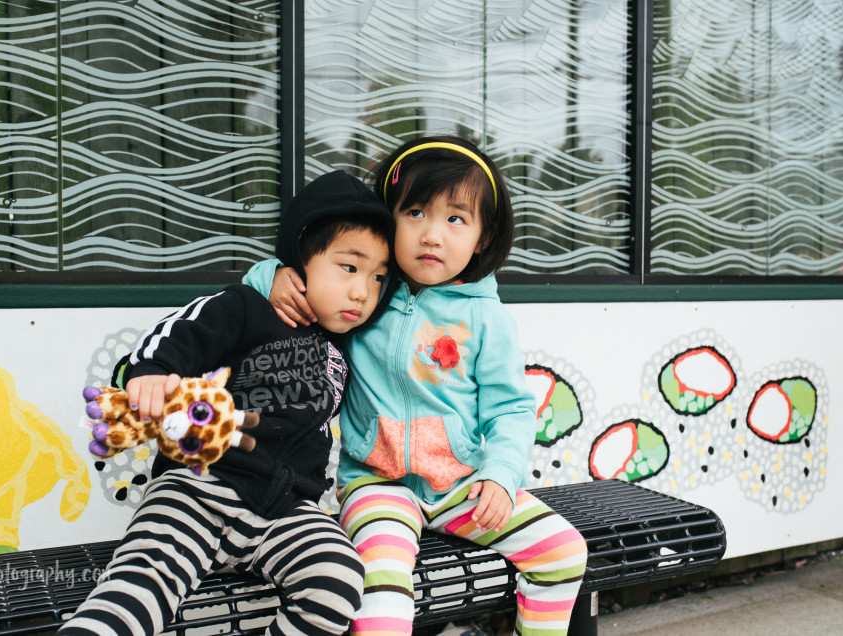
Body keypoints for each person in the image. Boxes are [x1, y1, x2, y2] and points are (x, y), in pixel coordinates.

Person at [244, 136, 588, 636]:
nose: (432, 235)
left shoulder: (486, 317)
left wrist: (500, 475)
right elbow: (291, 282)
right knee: (382, 594)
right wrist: (274, 275)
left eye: (456, 219)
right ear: (389, 219)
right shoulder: (366, 294)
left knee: (563, 552)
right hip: (376, 484)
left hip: (462, 485)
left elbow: (511, 409)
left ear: (483, 238)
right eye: (415, 212)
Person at [59, 170, 395, 636]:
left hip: (287, 508)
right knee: (137, 589)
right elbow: (179, 334)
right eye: (349, 267)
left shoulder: (349, 345)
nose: (363, 291)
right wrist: (151, 373)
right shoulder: (246, 307)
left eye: (378, 277)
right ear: (299, 262)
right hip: (199, 488)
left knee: (338, 580)